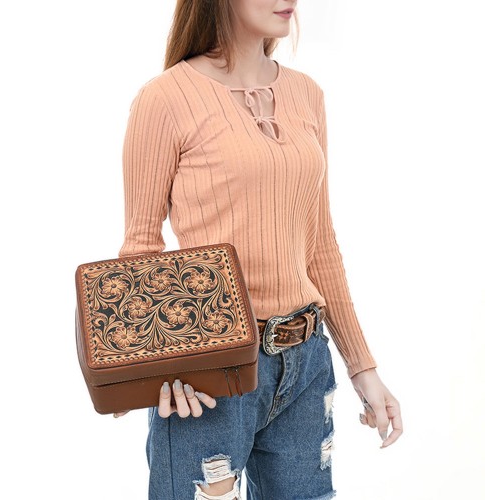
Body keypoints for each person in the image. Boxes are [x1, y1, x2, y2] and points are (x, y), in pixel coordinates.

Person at [114, 1, 403, 498]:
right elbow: (141, 249)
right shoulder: (164, 99)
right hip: (209, 374)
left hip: (306, 361)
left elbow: (320, 242)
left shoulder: (306, 94)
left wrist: (362, 365)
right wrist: (158, 371)